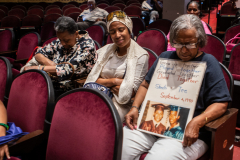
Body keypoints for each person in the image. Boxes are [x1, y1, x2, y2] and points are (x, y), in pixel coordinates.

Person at [122, 14, 231, 160]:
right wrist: (135, 107)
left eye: (189, 44)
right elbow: (145, 85)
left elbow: (221, 103)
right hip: (151, 125)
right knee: (119, 147)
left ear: (199, 41)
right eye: (179, 44)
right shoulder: (165, 57)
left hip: (187, 132)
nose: (184, 50)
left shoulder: (209, 63)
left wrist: (198, 121)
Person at [85, 11, 149, 122]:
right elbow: (91, 80)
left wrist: (103, 82)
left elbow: (130, 92)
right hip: (100, 95)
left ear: (129, 29)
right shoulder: (104, 51)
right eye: (112, 32)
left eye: (121, 30)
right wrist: (115, 81)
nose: (117, 35)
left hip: (122, 104)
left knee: (100, 119)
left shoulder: (141, 56)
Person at [22, 16, 96, 95]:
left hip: (72, 90)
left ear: (76, 34)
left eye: (66, 40)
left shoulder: (87, 46)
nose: (63, 43)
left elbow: (68, 69)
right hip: (52, 84)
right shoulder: (61, 40)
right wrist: (52, 65)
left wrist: (39, 68)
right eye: (60, 39)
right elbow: (39, 54)